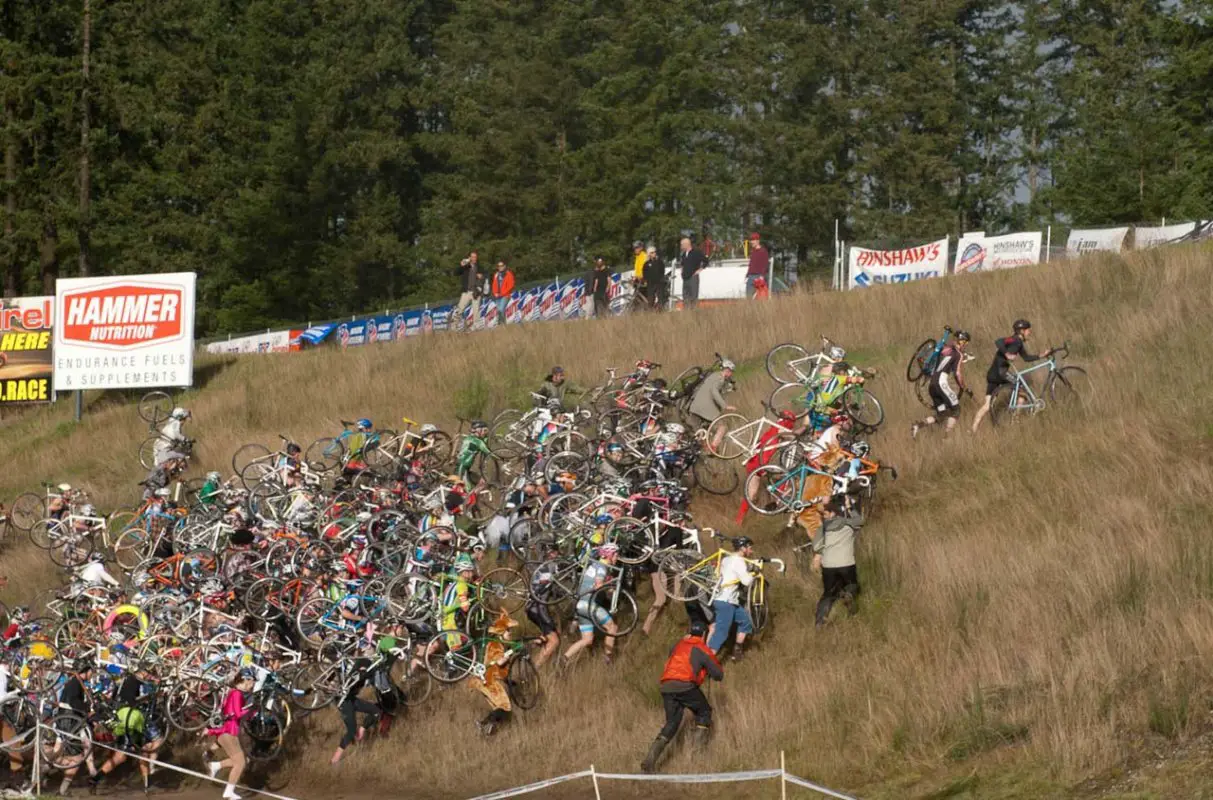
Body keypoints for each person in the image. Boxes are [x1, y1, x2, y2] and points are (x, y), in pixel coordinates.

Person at [640, 620, 723, 773]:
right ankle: (697, 756)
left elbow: (674, 657)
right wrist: (710, 671)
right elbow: (718, 673)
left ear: (689, 632)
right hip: (685, 685)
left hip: (666, 685)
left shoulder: (677, 644)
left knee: (672, 723)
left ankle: (649, 762)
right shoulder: (701, 648)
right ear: (704, 634)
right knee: (704, 712)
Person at [971, 319, 1052, 434]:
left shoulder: (1018, 343)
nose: (1030, 333)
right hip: (1000, 373)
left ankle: (973, 429)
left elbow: (1026, 358)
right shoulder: (1014, 339)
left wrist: (1042, 355)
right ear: (1022, 331)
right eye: (1028, 330)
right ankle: (1016, 418)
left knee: (988, 405)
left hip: (992, 374)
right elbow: (998, 341)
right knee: (1022, 390)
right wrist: (1007, 353)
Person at [562, 543, 620, 665]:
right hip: (588, 604)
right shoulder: (602, 567)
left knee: (587, 639)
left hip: (580, 606)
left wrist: (608, 589)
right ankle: (608, 659)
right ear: (610, 555)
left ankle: (564, 658)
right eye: (616, 555)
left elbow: (596, 586)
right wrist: (610, 585)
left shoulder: (595, 565)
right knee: (612, 627)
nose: (617, 558)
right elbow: (598, 585)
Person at [812, 497, 864, 627]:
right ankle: (851, 607)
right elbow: (860, 521)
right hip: (847, 563)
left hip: (828, 566)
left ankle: (820, 622)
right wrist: (850, 507)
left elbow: (816, 547)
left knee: (828, 594)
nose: (824, 517)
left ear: (833, 512)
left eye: (825, 513)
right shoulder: (849, 524)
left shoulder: (823, 528)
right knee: (852, 587)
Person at [331, 640, 382, 764]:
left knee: (376, 711)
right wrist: (362, 673)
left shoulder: (369, 665)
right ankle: (334, 760)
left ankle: (363, 729)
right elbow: (356, 674)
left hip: (352, 699)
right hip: (344, 701)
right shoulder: (360, 663)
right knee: (351, 730)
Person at [912, 330, 971, 438]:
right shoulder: (958, 354)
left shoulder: (947, 350)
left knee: (942, 414)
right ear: (962, 341)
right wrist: (963, 387)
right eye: (966, 342)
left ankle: (918, 426)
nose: (966, 345)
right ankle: (947, 438)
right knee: (956, 410)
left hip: (932, 384)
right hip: (941, 383)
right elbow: (957, 374)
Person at [206, 670, 255, 800]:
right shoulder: (237, 694)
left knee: (239, 760)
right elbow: (238, 714)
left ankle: (215, 766)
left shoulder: (234, 693)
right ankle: (228, 792)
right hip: (228, 732)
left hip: (227, 732)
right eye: (252, 682)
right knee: (240, 763)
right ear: (245, 680)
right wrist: (253, 709)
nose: (253, 685)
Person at [706, 537, 756, 660]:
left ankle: (737, 651)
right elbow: (746, 581)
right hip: (726, 601)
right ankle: (706, 662)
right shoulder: (738, 561)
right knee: (721, 633)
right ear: (743, 548)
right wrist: (754, 572)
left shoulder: (727, 559)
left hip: (727, 600)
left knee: (745, 622)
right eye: (750, 548)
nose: (751, 550)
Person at [525, 543, 563, 666]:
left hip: (534, 608)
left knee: (549, 635)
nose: (556, 555)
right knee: (554, 641)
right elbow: (543, 592)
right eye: (554, 553)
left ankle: (530, 646)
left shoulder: (541, 565)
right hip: (537, 608)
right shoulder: (547, 568)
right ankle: (535, 668)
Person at [687, 359, 736, 433]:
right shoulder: (721, 379)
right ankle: (713, 445)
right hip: (705, 408)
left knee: (699, 436)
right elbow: (714, 391)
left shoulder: (713, 375)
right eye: (731, 371)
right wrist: (725, 406)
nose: (731, 374)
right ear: (727, 370)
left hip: (694, 408)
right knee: (723, 427)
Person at [452, 251, 484, 332]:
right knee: (460, 309)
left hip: (476, 292)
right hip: (466, 292)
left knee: (476, 310)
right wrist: (461, 265)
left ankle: (476, 327)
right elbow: (455, 273)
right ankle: (454, 326)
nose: (474, 258)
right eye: (472, 257)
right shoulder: (465, 266)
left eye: (475, 257)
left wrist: (481, 279)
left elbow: (484, 277)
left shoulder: (479, 267)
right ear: (469, 258)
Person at [677, 237, 707, 310]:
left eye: (682, 245)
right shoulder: (684, 254)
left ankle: (694, 313)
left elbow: (706, 261)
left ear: (686, 244)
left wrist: (699, 270)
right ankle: (687, 314)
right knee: (685, 297)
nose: (681, 246)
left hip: (693, 278)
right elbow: (682, 264)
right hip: (685, 278)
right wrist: (682, 271)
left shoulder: (696, 252)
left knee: (693, 297)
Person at [642, 245, 667, 310]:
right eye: (652, 252)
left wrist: (660, 279)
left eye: (655, 252)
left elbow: (662, 271)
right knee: (650, 301)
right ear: (649, 254)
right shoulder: (646, 264)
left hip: (659, 283)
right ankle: (651, 315)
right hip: (650, 284)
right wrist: (646, 281)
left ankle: (661, 313)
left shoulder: (660, 262)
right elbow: (644, 274)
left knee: (661, 300)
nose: (654, 253)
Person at [745, 232, 768, 298]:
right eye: (751, 240)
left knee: (760, 298)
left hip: (758, 277)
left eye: (753, 240)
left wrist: (762, 276)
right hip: (750, 277)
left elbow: (765, 265)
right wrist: (747, 275)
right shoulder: (753, 251)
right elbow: (751, 265)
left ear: (758, 241)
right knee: (748, 298)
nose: (751, 242)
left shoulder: (763, 251)